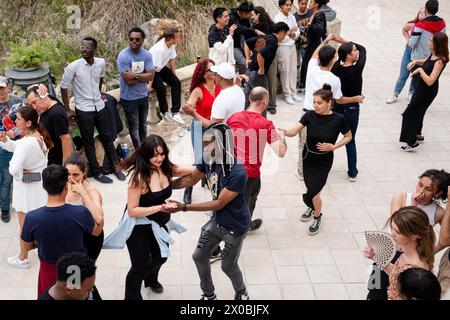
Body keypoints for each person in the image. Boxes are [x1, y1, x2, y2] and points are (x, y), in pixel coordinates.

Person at [167, 123, 251, 300]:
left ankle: (242, 293)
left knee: (228, 266)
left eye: (209, 144)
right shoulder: (208, 158)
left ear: (221, 144)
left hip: (234, 228)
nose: (205, 147)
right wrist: (165, 187)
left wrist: (184, 207)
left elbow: (219, 203)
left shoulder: (237, 172)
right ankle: (209, 295)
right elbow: (190, 179)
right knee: (199, 257)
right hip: (216, 222)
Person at [117, 135, 188, 300]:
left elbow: (193, 172)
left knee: (161, 256)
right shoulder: (139, 178)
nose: (159, 158)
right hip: (137, 224)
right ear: (146, 154)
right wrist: (161, 207)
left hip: (158, 220)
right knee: (139, 266)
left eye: (162, 154)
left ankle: (150, 279)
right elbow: (132, 211)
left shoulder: (166, 168)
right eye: (155, 155)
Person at [21, 164, 103, 298]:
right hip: (74, 269)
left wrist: (43, 241)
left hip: (48, 269)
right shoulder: (80, 213)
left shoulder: (32, 217)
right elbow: (97, 230)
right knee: (74, 297)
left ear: (44, 186)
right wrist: (84, 193)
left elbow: (26, 246)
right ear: (66, 186)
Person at [367, 169, 449, 300]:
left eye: (428, 189)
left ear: (437, 193)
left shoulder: (438, 212)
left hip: (408, 249)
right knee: (375, 286)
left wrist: (428, 252)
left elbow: (444, 239)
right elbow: (397, 221)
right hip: (386, 249)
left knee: (397, 290)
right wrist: (377, 257)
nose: (421, 191)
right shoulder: (401, 197)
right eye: (420, 184)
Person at [282, 85, 352, 235]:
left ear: (329, 102)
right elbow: (294, 131)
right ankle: (313, 206)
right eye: (314, 102)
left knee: (314, 192)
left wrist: (334, 147)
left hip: (324, 162)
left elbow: (348, 136)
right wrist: (282, 132)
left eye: (319, 103)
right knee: (310, 188)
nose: (315, 105)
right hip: (308, 158)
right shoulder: (309, 116)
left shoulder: (338, 119)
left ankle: (317, 216)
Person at [296, 35, 363, 181]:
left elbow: (314, 54)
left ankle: (301, 171)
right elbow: (340, 99)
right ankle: (319, 167)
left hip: (307, 112)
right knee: (321, 142)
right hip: (324, 115)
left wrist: (326, 40)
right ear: (333, 60)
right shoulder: (334, 79)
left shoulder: (311, 69)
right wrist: (356, 99)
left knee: (303, 144)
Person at [61, 37, 125, 184]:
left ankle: (116, 168)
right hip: (83, 109)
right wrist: (67, 109)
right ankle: (97, 172)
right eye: (82, 47)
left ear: (94, 50)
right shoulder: (73, 66)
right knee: (88, 142)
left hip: (99, 106)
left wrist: (98, 93)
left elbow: (100, 79)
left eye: (87, 47)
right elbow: (64, 87)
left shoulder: (100, 63)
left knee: (107, 138)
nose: (84, 49)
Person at [227, 87, 287, 231]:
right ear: (265, 102)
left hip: (232, 170)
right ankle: (242, 229)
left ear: (250, 99)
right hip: (251, 174)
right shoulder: (266, 124)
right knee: (247, 203)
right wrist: (282, 138)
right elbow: (281, 152)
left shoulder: (233, 118)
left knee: (231, 202)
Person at [0, 106, 50, 269]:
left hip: (26, 191)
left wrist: (22, 175)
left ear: (28, 123)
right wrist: (6, 141)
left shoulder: (26, 142)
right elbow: (20, 147)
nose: (15, 121)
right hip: (39, 187)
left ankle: (23, 258)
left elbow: (13, 169)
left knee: (24, 225)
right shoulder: (38, 136)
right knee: (39, 222)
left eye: (18, 119)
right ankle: (40, 248)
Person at [363, 206, 435, 300]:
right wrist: (376, 256)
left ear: (414, 236)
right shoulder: (405, 252)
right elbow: (396, 274)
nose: (392, 234)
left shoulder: (418, 271)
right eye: (392, 228)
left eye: (397, 232)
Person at [399, 32, 448, 152]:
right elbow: (426, 62)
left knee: (410, 114)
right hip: (421, 88)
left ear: (437, 44)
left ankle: (411, 143)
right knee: (418, 112)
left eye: (430, 41)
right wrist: (416, 62)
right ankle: (418, 134)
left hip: (428, 91)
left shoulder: (440, 61)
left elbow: (431, 80)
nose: (428, 42)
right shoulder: (433, 55)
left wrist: (420, 70)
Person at [181, 59, 220, 205]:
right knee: (198, 160)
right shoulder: (198, 90)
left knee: (213, 158)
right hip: (199, 128)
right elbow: (189, 105)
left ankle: (206, 179)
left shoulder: (219, 86)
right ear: (204, 74)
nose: (214, 71)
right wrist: (188, 107)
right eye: (210, 69)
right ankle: (188, 188)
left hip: (214, 127)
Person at [331, 36, 367, 181]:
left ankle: (322, 165)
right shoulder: (357, 69)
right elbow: (363, 48)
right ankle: (352, 172)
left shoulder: (335, 68)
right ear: (348, 55)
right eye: (353, 51)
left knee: (330, 138)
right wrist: (343, 41)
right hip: (351, 108)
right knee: (350, 140)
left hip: (336, 107)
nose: (356, 52)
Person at [117, 27, 155, 150]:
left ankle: (145, 147)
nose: (134, 41)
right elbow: (128, 81)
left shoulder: (147, 54)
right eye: (131, 39)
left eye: (137, 39)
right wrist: (143, 76)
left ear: (142, 40)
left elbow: (151, 75)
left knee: (143, 124)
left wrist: (135, 75)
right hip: (129, 98)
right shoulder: (123, 56)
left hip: (143, 96)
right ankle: (139, 151)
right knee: (134, 126)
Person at [65, 153, 105, 261]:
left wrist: (83, 193)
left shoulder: (91, 192)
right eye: (68, 174)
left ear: (84, 173)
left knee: (85, 273)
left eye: (75, 175)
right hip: (69, 236)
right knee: (71, 272)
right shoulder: (63, 187)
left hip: (88, 238)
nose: (71, 178)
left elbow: (99, 218)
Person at [243, 22, 290, 111]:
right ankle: (262, 124)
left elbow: (247, 43)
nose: (285, 37)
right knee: (262, 101)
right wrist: (261, 68)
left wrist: (248, 58)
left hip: (249, 72)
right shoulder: (273, 43)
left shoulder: (265, 37)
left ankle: (247, 122)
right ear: (281, 33)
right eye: (285, 34)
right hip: (257, 75)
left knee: (248, 100)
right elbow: (260, 55)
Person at [385, 8, 427, 104]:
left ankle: (411, 93)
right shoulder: (413, 24)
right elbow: (404, 30)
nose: (421, 14)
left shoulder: (427, 27)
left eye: (423, 13)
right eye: (420, 12)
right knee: (403, 74)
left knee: (415, 74)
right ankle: (395, 94)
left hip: (419, 54)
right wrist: (408, 40)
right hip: (409, 51)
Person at [26, 84, 72, 165]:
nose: (34, 107)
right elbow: (33, 88)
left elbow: (66, 140)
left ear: (43, 96)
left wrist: (65, 166)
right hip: (47, 158)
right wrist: (41, 85)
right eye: (31, 104)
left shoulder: (56, 114)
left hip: (55, 161)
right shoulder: (49, 102)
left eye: (34, 102)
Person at [149, 28, 185, 125]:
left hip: (160, 68)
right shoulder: (159, 50)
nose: (179, 39)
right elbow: (151, 69)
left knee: (176, 82)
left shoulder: (172, 45)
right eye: (178, 37)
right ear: (172, 39)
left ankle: (175, 112)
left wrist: (174, 76)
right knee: (161, 88)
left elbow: (172, 59)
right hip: (151, 70)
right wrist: (149, 85)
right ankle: (164, 112)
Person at [0, 76, 23, 223]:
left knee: (18, 177)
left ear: (7, 87)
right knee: (5, 179)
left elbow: (25, 120)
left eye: (2, 88)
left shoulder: (17, 101)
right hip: (2, 145)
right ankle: (5, 209)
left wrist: (14, 132)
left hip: (18, 143)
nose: (1, 91)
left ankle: (19, 204)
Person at [274, 0, 303, 105]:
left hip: (292, 45)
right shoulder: (278, 18)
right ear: (281, 6)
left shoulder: (292, 17)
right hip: (283, 47)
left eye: (290, 5)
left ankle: (293, 92)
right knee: (285, 70)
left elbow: (297, 31)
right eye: (287, 5)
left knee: (293, 69)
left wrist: (292, 34)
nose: (289, 7)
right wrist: (290, 34)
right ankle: (287, 94)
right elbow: (280, 36)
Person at [251, 7, 278, 115]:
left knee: (269, 79)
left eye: (253, 14)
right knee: (266, 79)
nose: (251, 17)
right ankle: (266, 104)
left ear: (258, 15)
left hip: (267, 55)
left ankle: (270, 104)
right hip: (262, 55)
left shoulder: (271, 26)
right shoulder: (255, 27)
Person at [299, 0, 328, 93]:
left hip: (314, 44)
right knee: (306, 64)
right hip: (310, 43)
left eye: (311, 2)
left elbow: (320, 30)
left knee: (309, 64)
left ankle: (304, 86)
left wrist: (309, 25)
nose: (309, 3)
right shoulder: (314, 14)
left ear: (316, 5)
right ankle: (304, 85)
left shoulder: (319, 14)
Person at [228, 2, 263, 74]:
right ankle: (244, 81)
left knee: (251, 62)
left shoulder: (245, 18)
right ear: (243, 13)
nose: (250, 16)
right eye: (249, 14)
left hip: (243, 44)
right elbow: (240, 29)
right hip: (233, 45)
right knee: (243, 63)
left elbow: (248, 32)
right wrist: (255, 30)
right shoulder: (231, 17)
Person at [294, 0, 314, 89]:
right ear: (298, 4)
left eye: (306, 4)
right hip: (302, 45)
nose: (304, 5)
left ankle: (309, 82)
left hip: (312, 44)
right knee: (304, 64)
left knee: (312, 64)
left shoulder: (311, 13)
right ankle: (303, 83)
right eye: (302, 4)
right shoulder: (294, 16)